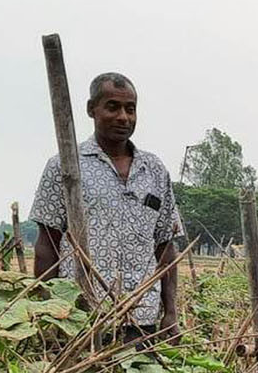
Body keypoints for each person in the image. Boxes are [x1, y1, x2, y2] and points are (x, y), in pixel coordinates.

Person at [30, 72, 182, 342]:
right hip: (79, 317)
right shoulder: (65, 166)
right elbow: (47, 244)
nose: (123, 117)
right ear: (92, 109)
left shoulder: (154, 170)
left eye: (130, 109)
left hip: (141, 317)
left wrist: (170, 312)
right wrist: (44, 310)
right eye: (113, 107)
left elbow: (165, 246)